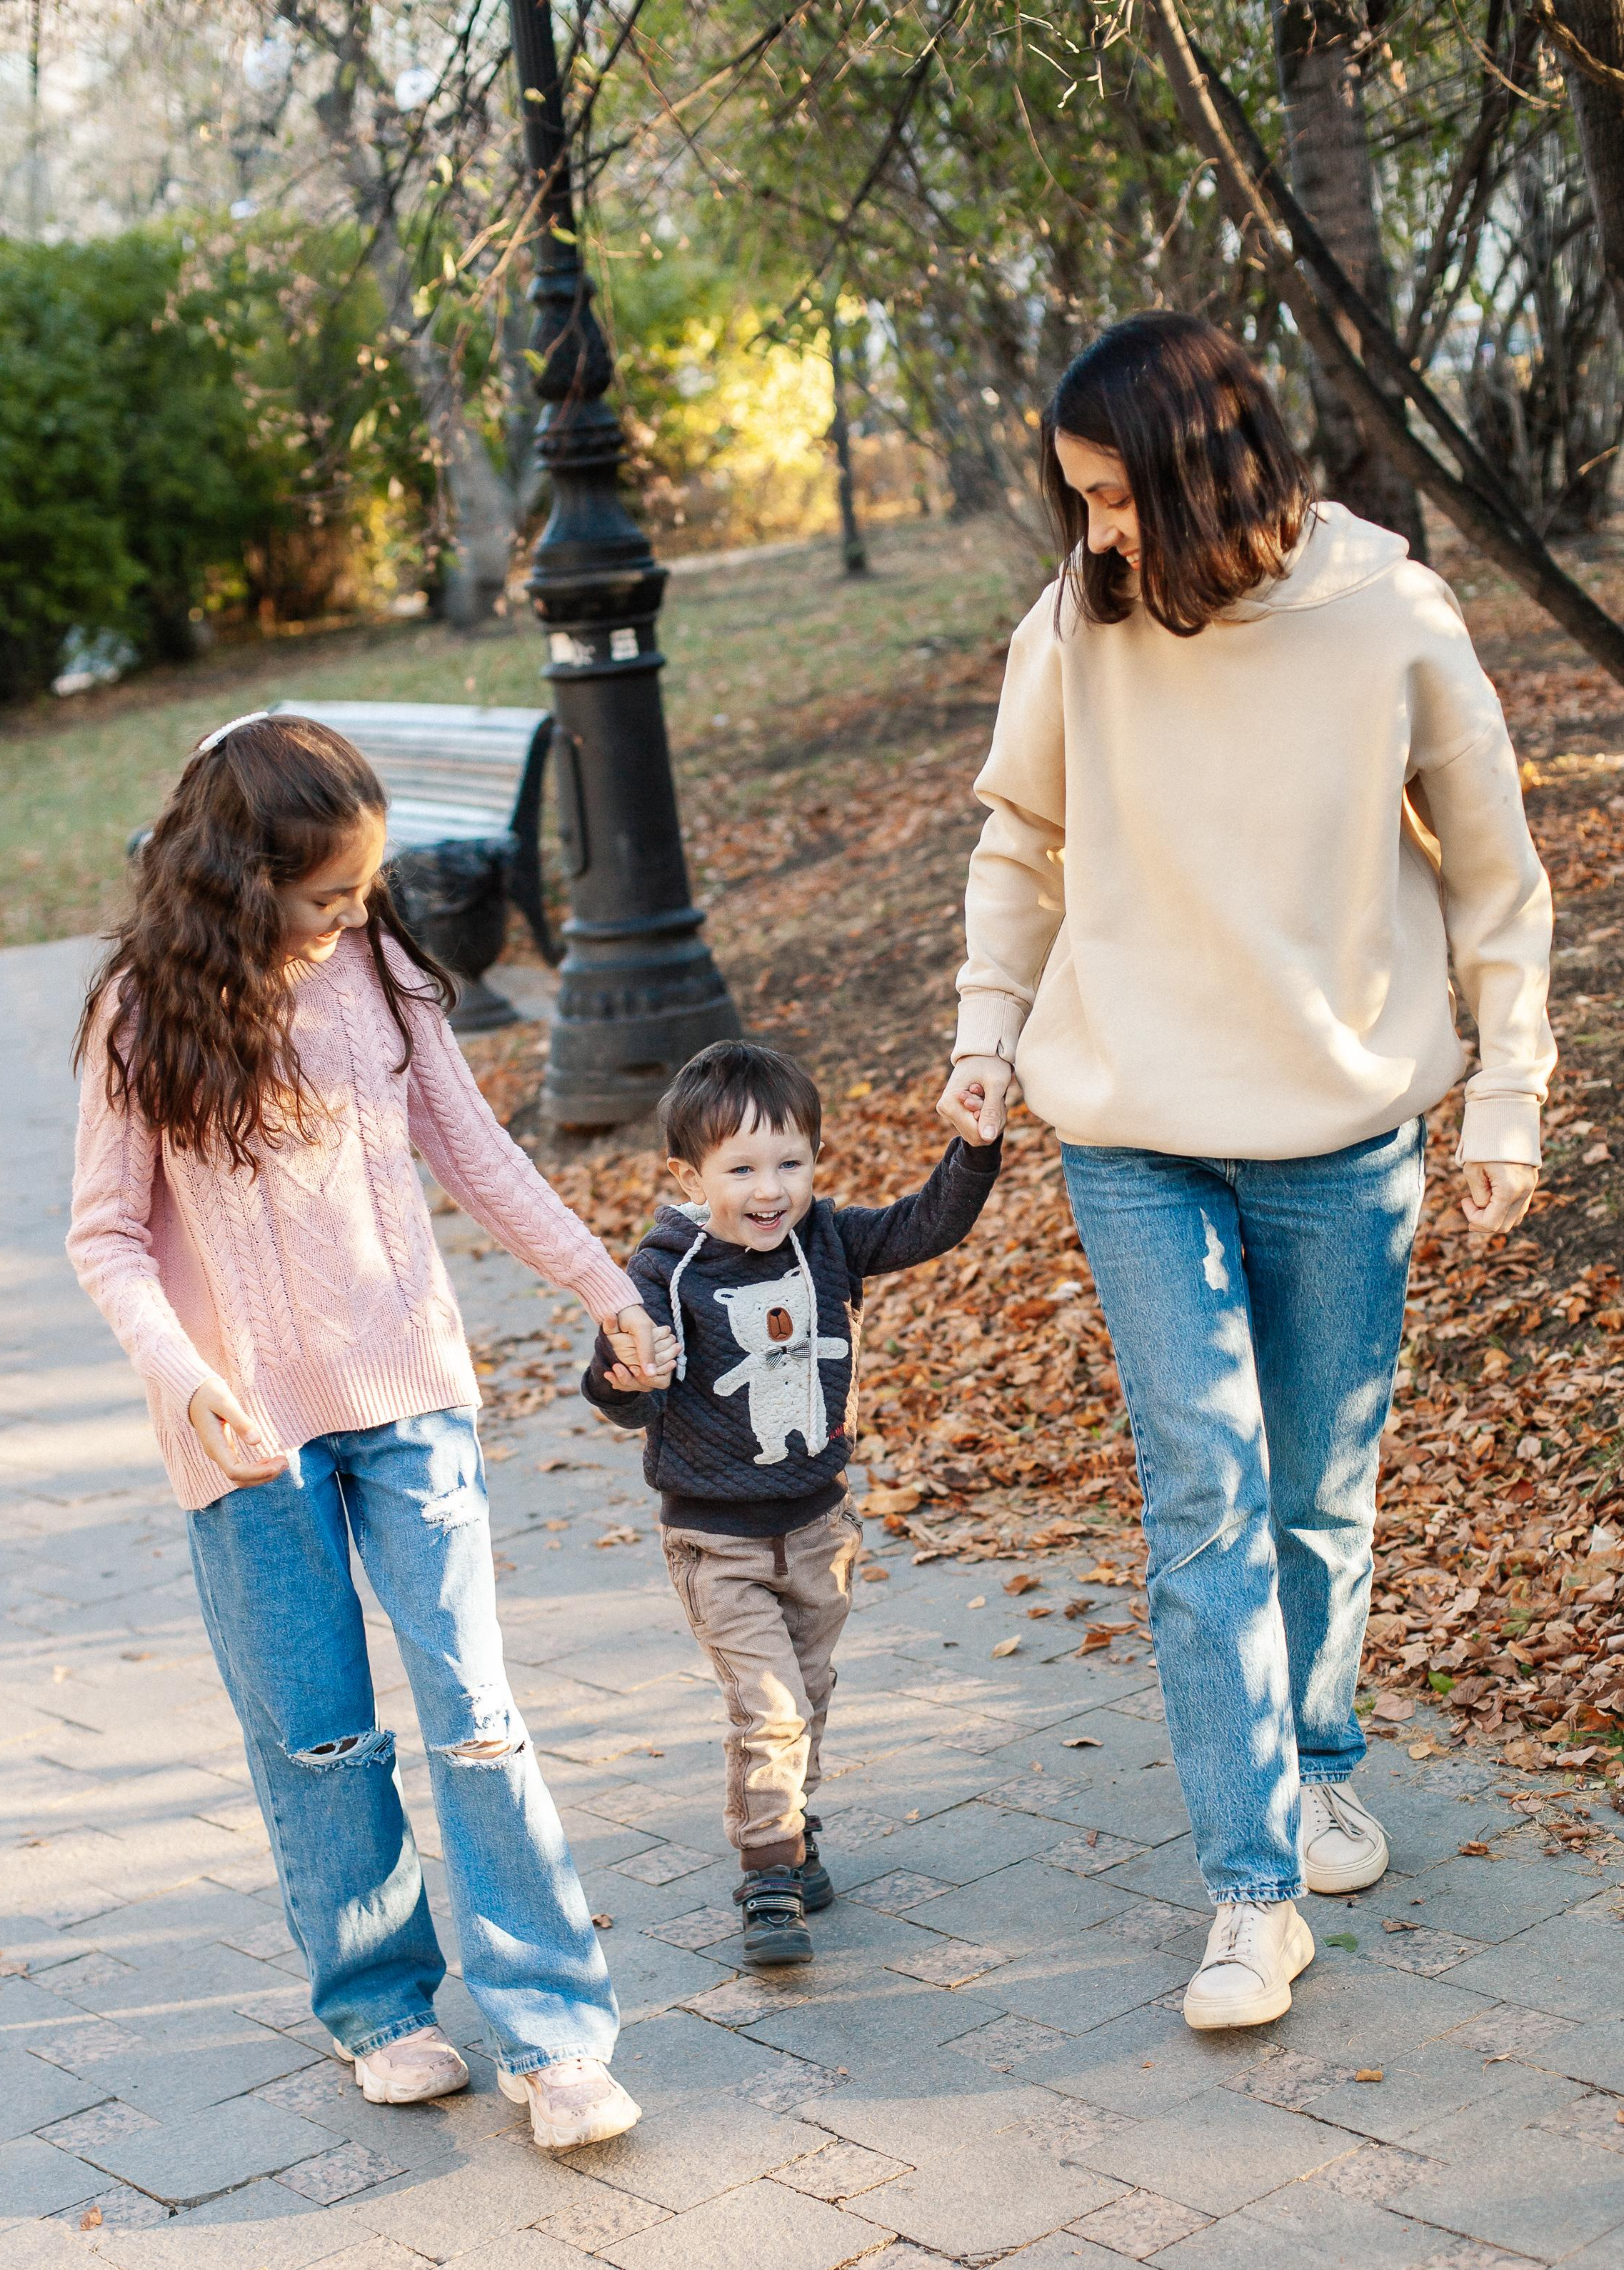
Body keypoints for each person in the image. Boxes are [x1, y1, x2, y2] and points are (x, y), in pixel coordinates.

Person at [938, 313, 1554, 2032]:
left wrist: (1509, 1098)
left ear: (1211, 467)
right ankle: (1250, 1888)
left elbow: (1502, 881)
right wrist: (990, 1023)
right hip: (1132, 1127)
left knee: (1319, 1488)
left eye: (1119, 497)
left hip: (1342, 1131)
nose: (1099, 535)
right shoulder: (1078, 624)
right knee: (1204, 1489)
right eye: (1080, 504)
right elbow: (1022, 837)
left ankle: (1321, 1759)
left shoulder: (1388, 616)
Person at [68, 711, 665, 2148]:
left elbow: (472, 1145)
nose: (349, 919)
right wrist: (180, 1371)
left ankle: (554, 2032)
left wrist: (605, 1284)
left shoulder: (381, 971)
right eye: (323, 895)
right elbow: (106, 1235)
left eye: (361, 891)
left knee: (474, 1715)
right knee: (321, 1737)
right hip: (247, 1430)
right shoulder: (141, 1011)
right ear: (236, 879)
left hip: (409, 1399)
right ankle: (382, 2006)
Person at [581, 1041, 1001, 1966]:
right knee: (767, 1705)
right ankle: (767, 1872)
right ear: (691, 1174)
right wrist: (622, 1372)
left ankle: (792, 1827)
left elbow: (922, 1226)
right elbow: (630, 1399)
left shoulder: (828, 1242)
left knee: (806, 1695)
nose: (769, 1189)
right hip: (715, 1540)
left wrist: (973, 1150)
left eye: (790, 1164)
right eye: (740, 1169)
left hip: (817, 1529)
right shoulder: (666, 1272)